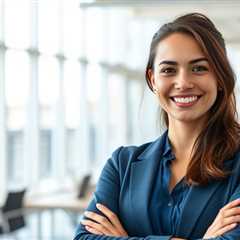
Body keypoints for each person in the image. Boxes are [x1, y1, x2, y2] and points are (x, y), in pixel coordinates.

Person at [74, 13, 240, 240]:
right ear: (152, 80)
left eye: (199, 68)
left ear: (220, 78)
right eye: (168, 70)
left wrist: (125, 237)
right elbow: (85, 237)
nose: (183, 83)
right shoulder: (122, 165)